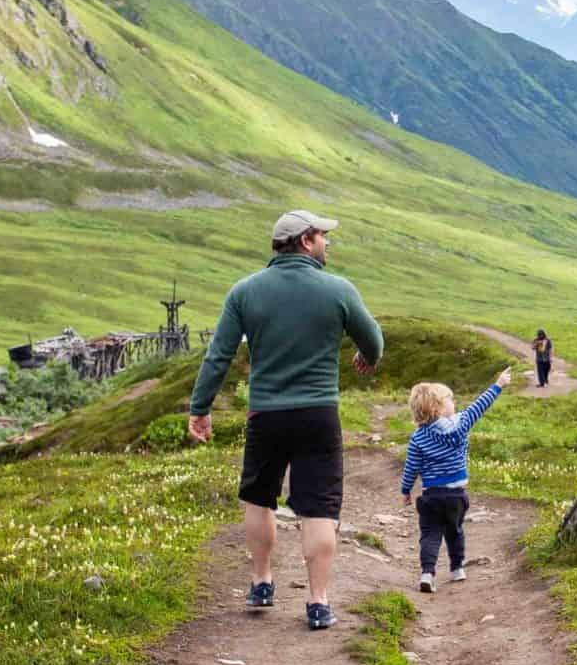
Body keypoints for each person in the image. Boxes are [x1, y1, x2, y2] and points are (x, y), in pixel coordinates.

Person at [187, 210, 383, 630]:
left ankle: (261, 583)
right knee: (319, 507)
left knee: (259, 497)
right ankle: (318, 603)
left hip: (266, 413)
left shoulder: (244, 292)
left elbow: (219, 354)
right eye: (324, 236)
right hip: (319, 414)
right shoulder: (338, 290)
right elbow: (375, 342)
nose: (328, 243)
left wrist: (200, 408)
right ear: (307, 240)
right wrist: (365, 358)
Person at [400, 368, 512, 592]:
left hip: (431, 496)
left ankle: (427, 573)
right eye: (450, 400)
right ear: (437, 407)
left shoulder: (417, 437)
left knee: (430, 535)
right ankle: (457, 568)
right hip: (456, 496)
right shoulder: (460, 426)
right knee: (455, 531)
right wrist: (498, 384)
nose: (455, 403)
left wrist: (405, 490)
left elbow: (411, 466)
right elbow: (479, 406)